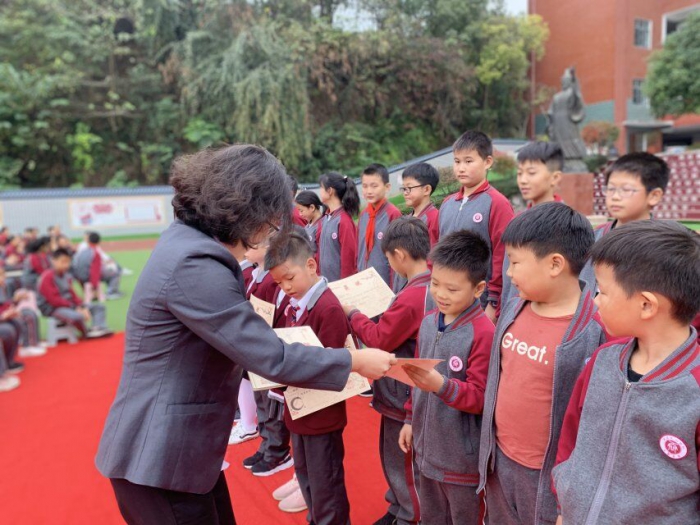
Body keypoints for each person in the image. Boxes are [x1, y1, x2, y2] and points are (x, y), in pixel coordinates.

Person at [95, 144, 395, 525]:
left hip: (178, 455)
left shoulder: (186, 244)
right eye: (271, 222)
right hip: (162, 458)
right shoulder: (196, 262)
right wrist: (355, 360)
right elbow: (271, 356)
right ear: (248, 209)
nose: (269, 233)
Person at [552, 220, 700, 525]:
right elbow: (572, 436)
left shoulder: (693, 391)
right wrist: (564, 502)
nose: (594, 301)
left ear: (646, 305)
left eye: (602, 291)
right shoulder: (602, 360)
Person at [477, 202, 607, 525]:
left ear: (554, 264)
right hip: (499, 458)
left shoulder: (594, 330)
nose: (508, 273)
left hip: (546, 475)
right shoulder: (514, 308)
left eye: (515, 262)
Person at [399, 230, 495, 525]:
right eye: (435, 284)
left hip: (460, 462)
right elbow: (416, 374)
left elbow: (481, 397)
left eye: (452, 289)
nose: (440, 294)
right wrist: (409, 419)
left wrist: (441, 386)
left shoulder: (483, 333)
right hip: (425, 450)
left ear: (478, 289)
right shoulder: (429, 322)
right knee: (431, 516)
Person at [344, 217, 433, 525]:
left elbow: (379, 338)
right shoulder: (429, 284)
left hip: (402, 391)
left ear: (399, 255)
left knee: (402, 461)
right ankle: (397, 507)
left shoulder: (412, 295)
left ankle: (408, 515)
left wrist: (353, 314)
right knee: (395, 456)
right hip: (406, 389)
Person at [438, 130, 514, 321]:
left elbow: (503, 256)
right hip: (445, 300)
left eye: (468, 161)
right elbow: (437, 249)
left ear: (487, 162)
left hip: (480, 303)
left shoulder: (497, 203)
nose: (461, 168)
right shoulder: (447, 204)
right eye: (457, 161)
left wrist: (493, 303)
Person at [579, 152, 669, 290]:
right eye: (611, 189)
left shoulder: (667, 246)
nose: (615, 196)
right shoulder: (592, 237)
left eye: (626, 190)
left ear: (654, 196)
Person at [501, 141, 565, 307]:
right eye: (519, 173)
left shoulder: (566, 224)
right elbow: (507, 280)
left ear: (555, 177)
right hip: (513, 311)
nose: (523, 180)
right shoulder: (517, 221)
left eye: (531, 173)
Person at [37, 249, 112, 339]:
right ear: (53, 261)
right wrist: (75, 308)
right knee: (77, 316)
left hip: (69, 305)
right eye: (63, 262)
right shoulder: (47, 277)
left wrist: (82, 306)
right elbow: (54, 300)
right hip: (52, 308)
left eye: (68, 262)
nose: (66, 265)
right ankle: (86, 332)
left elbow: (72, 294)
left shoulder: (66, 276)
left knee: (99, 307)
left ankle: (98, 328)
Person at [392, 162, 440, 293]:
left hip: (422, 286)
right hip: (402, 283)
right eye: (403, 189)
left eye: (409, 188)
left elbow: (433, 258)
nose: (405, 193)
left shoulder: (434, 218)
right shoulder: (406, 219)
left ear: (426, 189)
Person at [357, 163, 402, 286]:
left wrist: (395, 286)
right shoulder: (364, 215)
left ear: (387, 187)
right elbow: (359, 250)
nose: (369, 191)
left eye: (374, 186)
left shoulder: (393, 214)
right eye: (365, 186)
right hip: (363, 279)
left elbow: (397, 254)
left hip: (384, 281)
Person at [317, 171, 360, 282]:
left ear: (330, 191)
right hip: (326, 282)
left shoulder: (344, 221)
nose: (319, 191)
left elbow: (349, 258)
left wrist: (345, 284)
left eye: (321, 187)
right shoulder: (326, 218)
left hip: (340, 284)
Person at [0, 266, 45, 357]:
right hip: (3, 317)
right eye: (1, 275)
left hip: (7, 313)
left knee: (30, 313)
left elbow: (6, 304)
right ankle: (27, 346)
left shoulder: (4, 287)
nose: (4, 278)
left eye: (3, 275)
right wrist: (4, 315)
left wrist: (15, 302)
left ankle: (34, 343)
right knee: (25, 317)